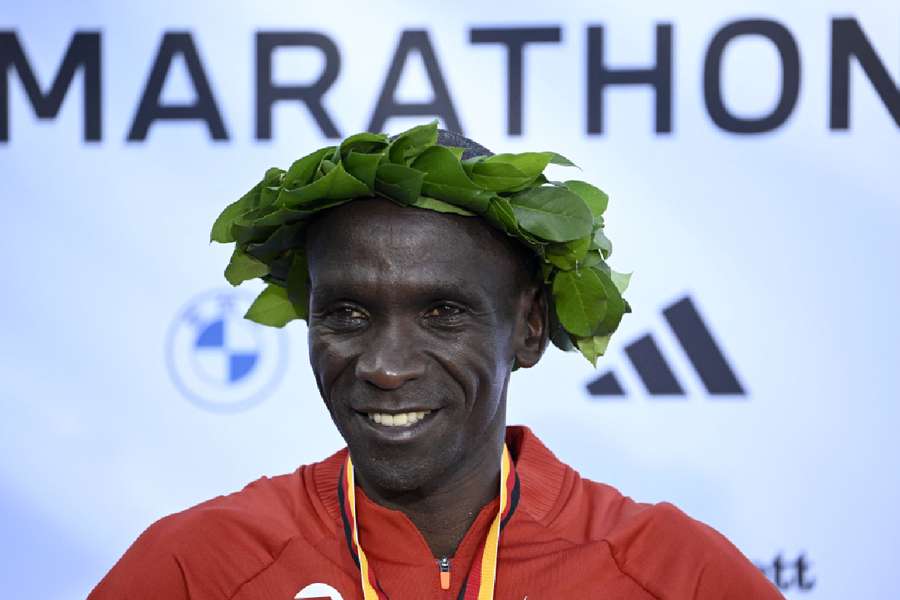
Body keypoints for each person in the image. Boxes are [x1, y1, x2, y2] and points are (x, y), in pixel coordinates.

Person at [89, 124, 783, 599]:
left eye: (442, 313)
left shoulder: (672, 572)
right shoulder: (198, 566)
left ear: (531, 327)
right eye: (348, 314)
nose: (386, 367)